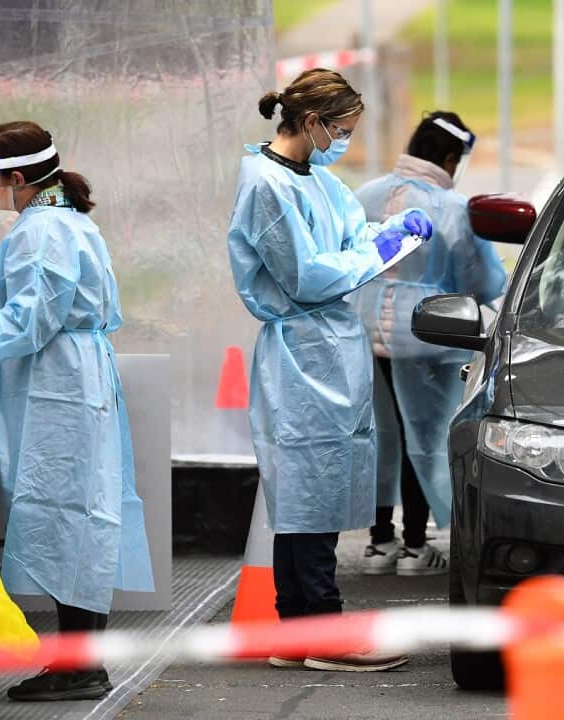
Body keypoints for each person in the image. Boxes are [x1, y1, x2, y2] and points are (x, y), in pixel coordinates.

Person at [227, 68, 433, 671]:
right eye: (341, 129)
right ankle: (321, 629)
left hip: (325, 347)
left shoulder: (312, 177)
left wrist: (389, 231)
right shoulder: (266, 185)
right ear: (312, 122)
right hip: (303, 351)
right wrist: (379, 250)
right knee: (308, 495)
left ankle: (297, 630)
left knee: (305, 496)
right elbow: (308, 275)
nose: (344, 140)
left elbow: (346, 234)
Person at [0, 121, 153, 702]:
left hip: (58, 387)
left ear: (18, 178)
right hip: (68, 381)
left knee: (68, 518)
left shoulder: (44, 231)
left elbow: (28, 322)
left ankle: (80, 669)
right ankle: (80, 664)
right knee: (78, 516)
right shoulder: (61, 221)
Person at [353, 112, 507, 575]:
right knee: (424, 436)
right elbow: (479, 278)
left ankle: (380, 543)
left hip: (364, 329)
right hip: (428, 333)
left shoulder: (365, 195)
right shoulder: (452, 208)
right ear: (448, 158)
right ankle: (418, 547)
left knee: (379, 436)